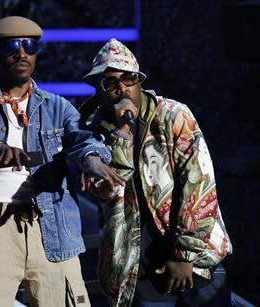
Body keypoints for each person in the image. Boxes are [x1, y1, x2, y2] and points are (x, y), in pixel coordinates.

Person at [0, 16, 124, 307]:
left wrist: (92, 160)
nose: (21, 53)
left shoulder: (58, 106)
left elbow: (81, 137)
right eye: (12, 46)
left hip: (50, 224)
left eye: (29, 46)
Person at [78, 38, 233, 307]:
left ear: (140, 82)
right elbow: (111, 191)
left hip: (195, 260)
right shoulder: (91, 133)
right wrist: (121, 135)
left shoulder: (173, 116)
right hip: (134, 269)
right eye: (110, 83)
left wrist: (184, 255)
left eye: (129, 79)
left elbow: (199, 185)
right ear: (97, 90)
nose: (122, 88)